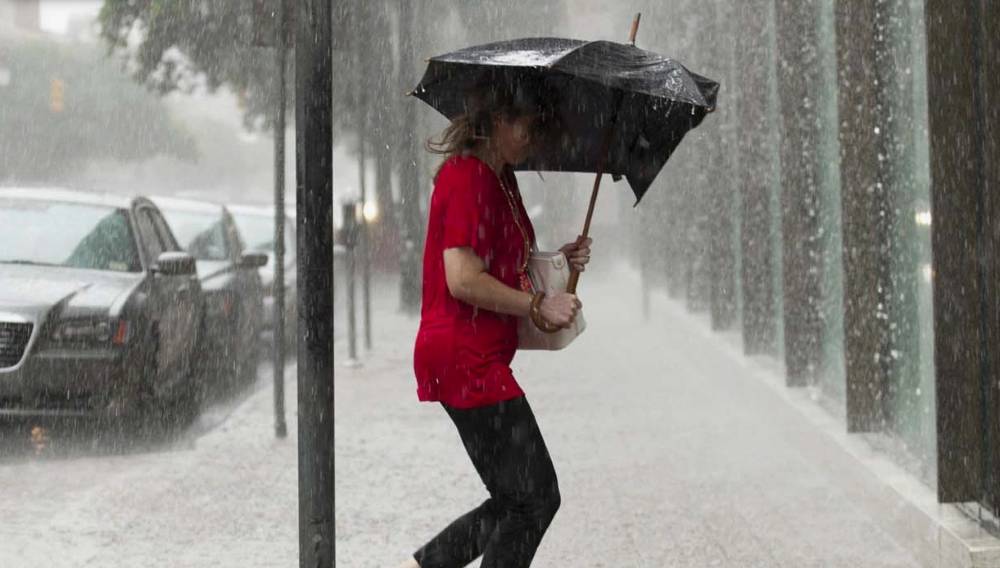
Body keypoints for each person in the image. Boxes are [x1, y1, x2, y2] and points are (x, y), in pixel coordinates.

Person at [399, 84, 592, 568]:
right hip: (464, 358)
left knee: (516, 499)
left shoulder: (501, 178)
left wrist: (557, 260)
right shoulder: (466, 178)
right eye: (529, 122)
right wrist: (535, 305)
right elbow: (462, 278)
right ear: (498, 120)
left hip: (477, 357)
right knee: (535, 498)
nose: (535, 135)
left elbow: (506, 260)